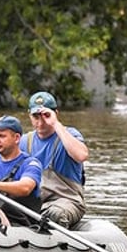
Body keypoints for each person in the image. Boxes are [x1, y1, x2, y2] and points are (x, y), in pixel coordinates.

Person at [20, 91, 88, 228]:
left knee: (54, 215)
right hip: (34, 204)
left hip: (66, 201)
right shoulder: (24, 141)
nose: (41, 121)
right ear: (29, 115)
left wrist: (56, 124)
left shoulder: (69, 134)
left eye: (45, 116)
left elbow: (82, 155)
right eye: (36, 116)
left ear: (55, 113)